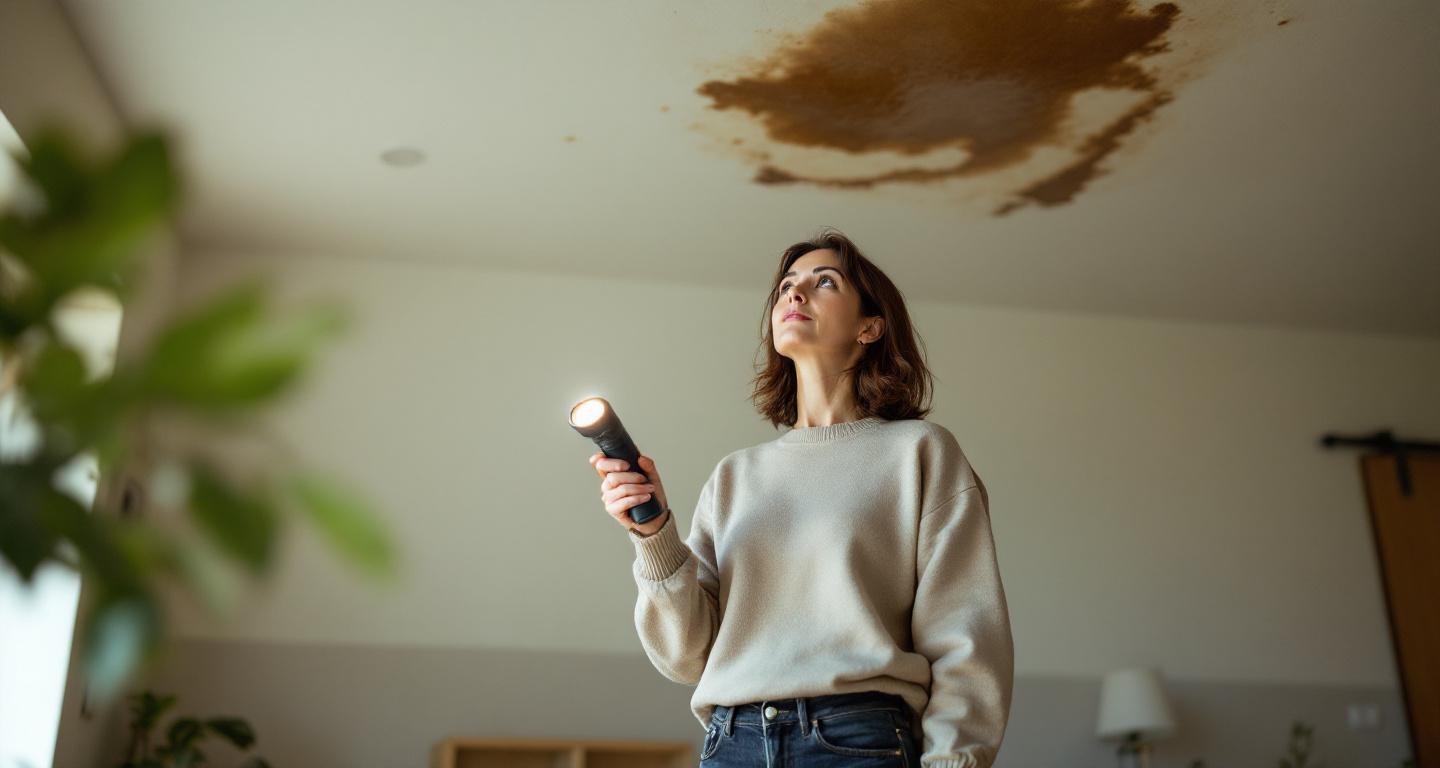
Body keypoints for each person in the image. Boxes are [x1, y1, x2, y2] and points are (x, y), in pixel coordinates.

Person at [589, 228, 1014, 767]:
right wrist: (654, 536)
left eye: (824, 282)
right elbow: (686, 656)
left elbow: (967, 634)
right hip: (731, 743)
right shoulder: (734, 475)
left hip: (859, 740)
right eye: (787, 284)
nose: (794, 293)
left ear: (870, 327)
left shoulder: (920, 452)